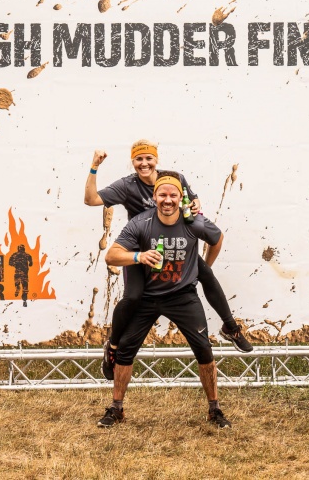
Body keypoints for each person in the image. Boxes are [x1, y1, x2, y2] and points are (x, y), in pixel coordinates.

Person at [84, 140, 252, 381]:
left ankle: (231, 328)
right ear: (132, 161)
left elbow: (193, 206)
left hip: (174, 246)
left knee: (206, 274)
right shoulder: (127, 186)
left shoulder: (174, 179)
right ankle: (112, 348)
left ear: (156, 160)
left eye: (148, 158)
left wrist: (195, 207)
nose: (144, 163)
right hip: (142, 249)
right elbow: (90, 200)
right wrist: (94, 166)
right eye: (139, 159)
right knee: (133, 297)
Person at [97, 173, 231, 428]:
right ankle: (116, 408)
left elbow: (218, 238)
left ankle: (214, 409)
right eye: (162, 195)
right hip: (148, 297)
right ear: (154, 196)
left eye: (173, 195)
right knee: (125, 350)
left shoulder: (193, 221)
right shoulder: (140, 223)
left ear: (181, 198)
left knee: (204, 349)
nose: (167, 200)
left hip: (182, 297)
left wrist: (204, 267)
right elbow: (111, 256)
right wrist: (138, 257)